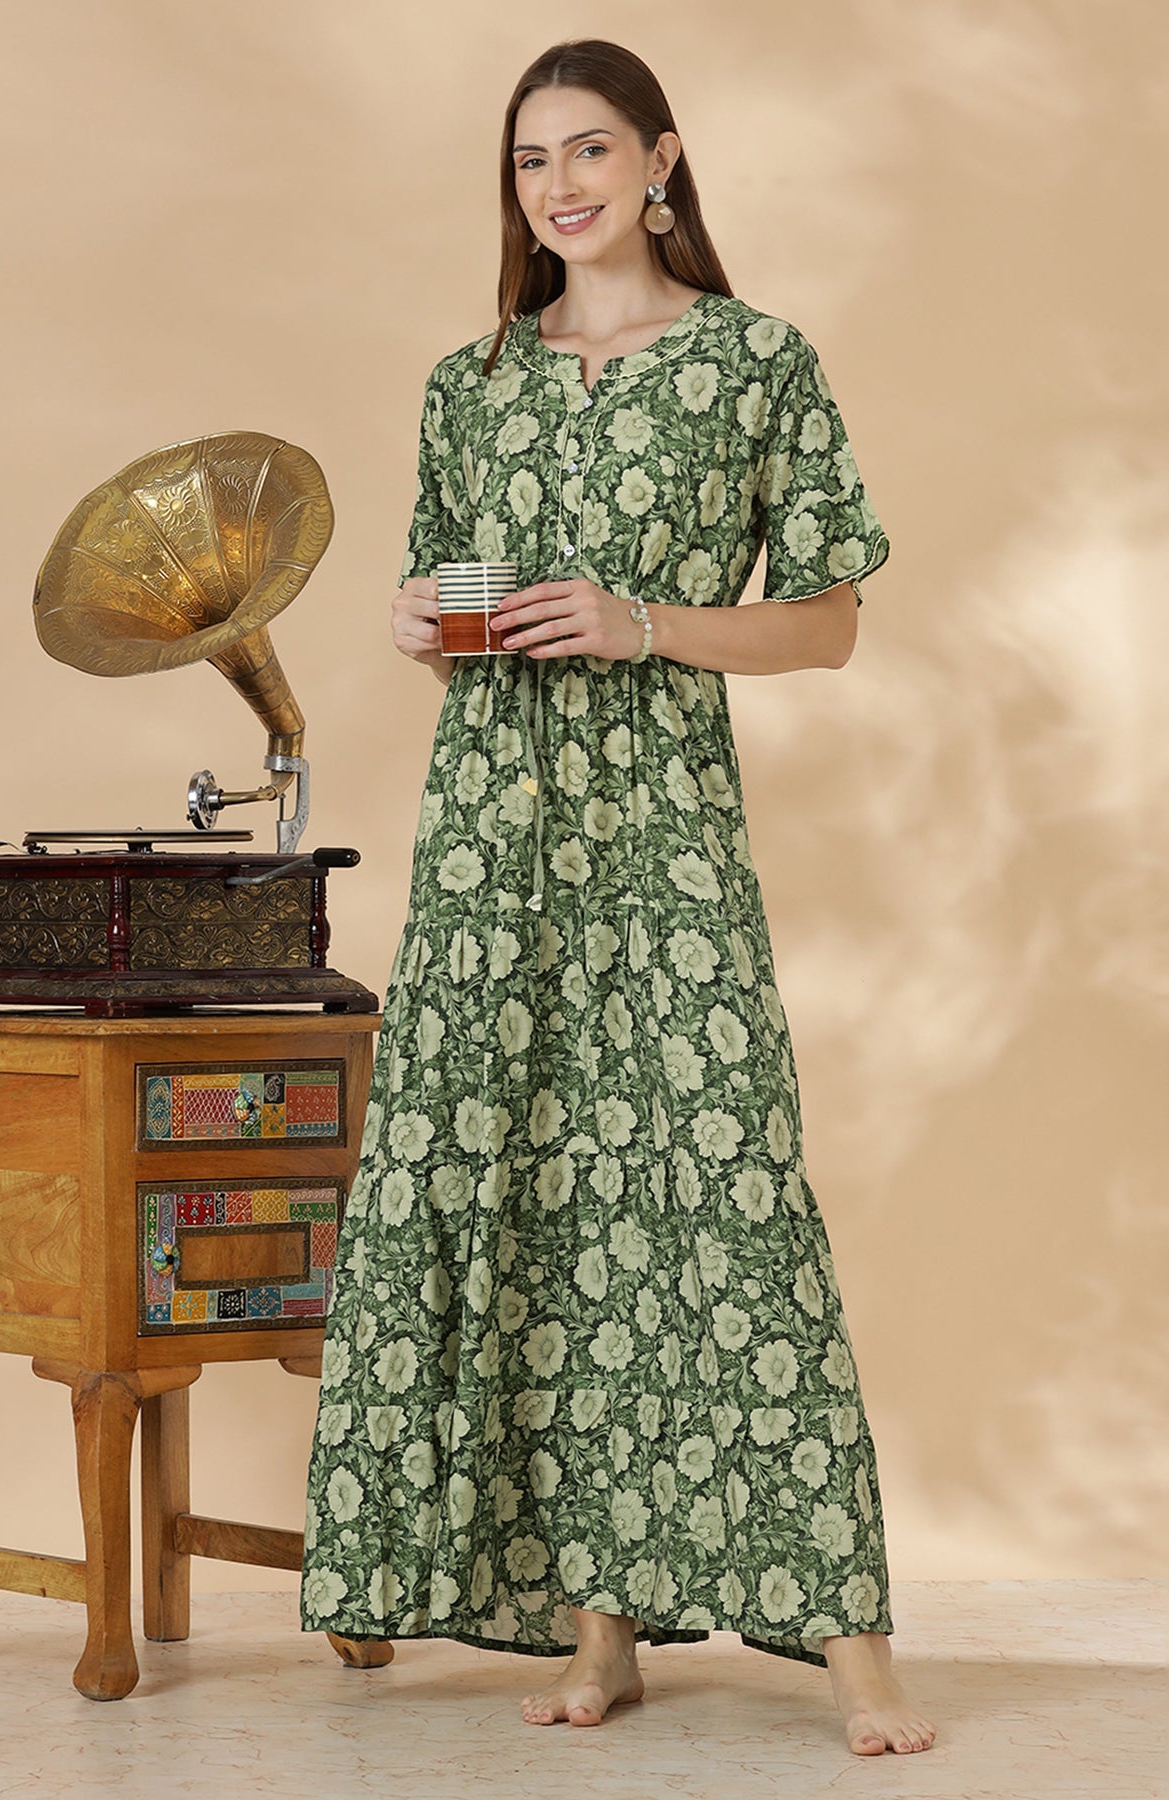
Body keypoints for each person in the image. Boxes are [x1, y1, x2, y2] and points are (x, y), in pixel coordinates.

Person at [299, 37, 937, 1759]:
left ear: (660, 162)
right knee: (538, 1200)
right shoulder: (472, 383)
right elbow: (456, 611)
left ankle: (856, 1656)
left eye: (588, 150)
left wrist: (640, 622)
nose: (558, 185)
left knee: (723, 1193)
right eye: (529, 161)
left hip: (661, 836)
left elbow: (827, 621)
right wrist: (425, 625)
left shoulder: (753, 362)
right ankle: (599, 1630)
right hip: (492, 844)